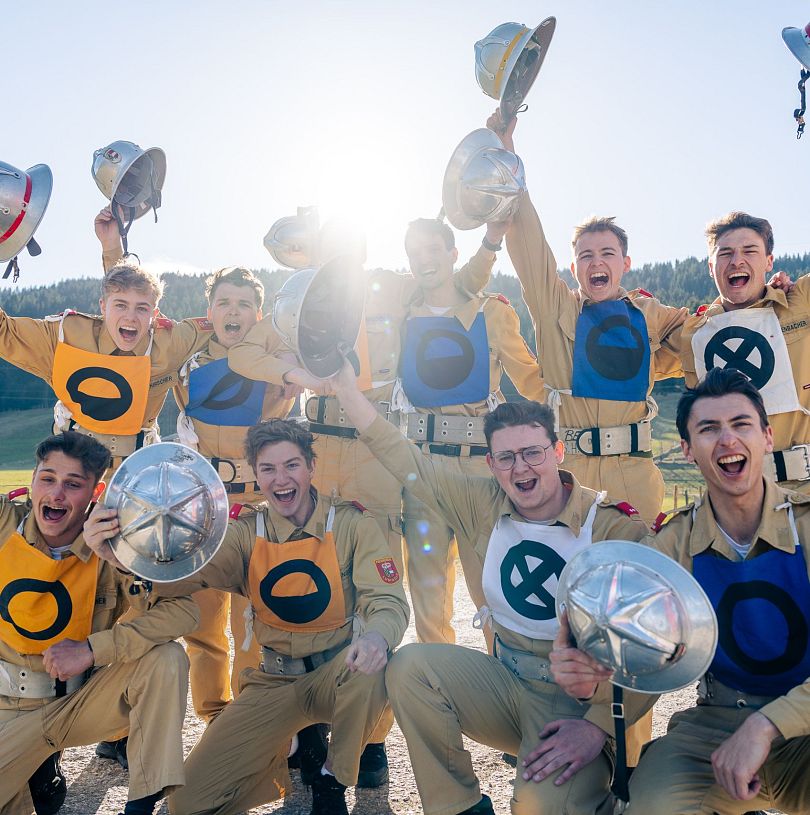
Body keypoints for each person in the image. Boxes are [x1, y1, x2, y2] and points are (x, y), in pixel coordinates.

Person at [226, 221, 498, 781]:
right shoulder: (304, 295)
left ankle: (373, 736)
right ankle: (306, 723)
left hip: (376, 448)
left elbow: (454, 284)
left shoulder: (392, 288)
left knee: (376, 582)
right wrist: (295, 371)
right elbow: (243, 353)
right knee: (308, 573)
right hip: (319, 449)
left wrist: (491, 242)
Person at [329, 364, 650, 815]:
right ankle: (460, 807)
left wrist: (598, 725)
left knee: (537, 807)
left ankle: (597, 795)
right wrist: (345, 389)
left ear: (558, 451)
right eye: (506, 458)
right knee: (411, 668)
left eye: (533, 452)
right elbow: (404, 458)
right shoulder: (481, 503)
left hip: (573, 704)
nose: (521, 468)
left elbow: (657, 642)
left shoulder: (612, 527)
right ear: (491, 464)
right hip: (505, 683)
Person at [86, 418, 409, 815]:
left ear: (311, 467)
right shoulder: (244, 531)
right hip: (274, 679)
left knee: (376, 664)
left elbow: (388, 600)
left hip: (338, 674)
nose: (281, 479)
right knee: (187, 803)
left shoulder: (351, 524)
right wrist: (121, 560)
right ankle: (287, 745)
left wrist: (378, 636)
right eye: (268, 468)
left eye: (292, 465)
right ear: (256, 474)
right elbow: (185, 578)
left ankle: (332, 780)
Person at [552, 367, 810, 814]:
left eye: (741, 424)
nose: (727, 439)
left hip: (802, 726)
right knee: (653, 805)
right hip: (717, 726)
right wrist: (587, 686)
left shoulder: (804, 525)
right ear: (687, 450)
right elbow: (638, 649)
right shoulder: (672, 546)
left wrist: (767, 725)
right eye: (708, 429)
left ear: (768, 437)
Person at [485, 111, 687, 527]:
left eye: (607, 254)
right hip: (570, 473)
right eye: (586, 256)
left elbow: (705, 336)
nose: (597, 263)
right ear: (574, 268)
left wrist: (766, 295)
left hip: (634, 472)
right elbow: (530, 246)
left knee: (637, 564)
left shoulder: (651, 315)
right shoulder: (555, 307)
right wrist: (507, 155)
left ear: (625, 263)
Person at [0, 432, 198, 815]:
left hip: (76, 704)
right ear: (33, 478)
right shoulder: (5, 523)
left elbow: (183, 611)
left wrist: (93, 649)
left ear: (96, 493)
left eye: (73, 484)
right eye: (47, 479)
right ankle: (36, 772)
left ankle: (139, 807)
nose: (56, 494)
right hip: (7, 706)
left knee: (165, 659)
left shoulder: (117, 543)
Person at [394, 217, 544, 648]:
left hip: (480, 466)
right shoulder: (403, 315)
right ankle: (439, 678)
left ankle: (505, 672)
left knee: (493, 584)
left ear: (452, 254)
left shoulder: (491, 313)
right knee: (428, 591)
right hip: (423, 466)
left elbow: (530, 379)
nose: (424, 260)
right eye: (414, 253)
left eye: (433, 250)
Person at [172, 265, 296, 724]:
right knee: (204, 621)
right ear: (209, 311)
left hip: (259, 504)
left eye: (244, 304)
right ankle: (214, 717)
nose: (233, 312)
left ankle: (250, 715)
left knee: (255, 618)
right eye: (224, 302)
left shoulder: (277, 357)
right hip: (203, 502)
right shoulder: (187, 357)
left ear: (258, 314)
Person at [0, 214, 213, 475]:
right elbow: (4, 332)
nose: (131, 317)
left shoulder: (169, 344)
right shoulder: (66, 337)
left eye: (142, 309)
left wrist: (112, 247)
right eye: (120, 306)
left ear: (155, 315)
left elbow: (229, 323)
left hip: (137, 476)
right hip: (71, 473)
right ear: (102, 307)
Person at [680, 211, 810, 495]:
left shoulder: (802, 301)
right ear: (711, 267)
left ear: (768, 261)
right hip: (733, 496)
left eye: (750, 251)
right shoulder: (690, 334)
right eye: (725, 253)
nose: (737, 261)